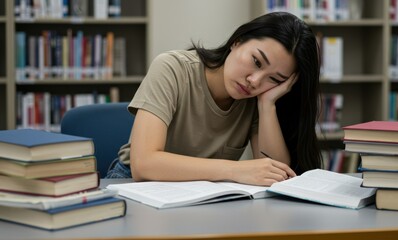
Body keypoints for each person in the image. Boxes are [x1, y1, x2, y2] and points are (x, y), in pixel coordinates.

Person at [106, 11, 322, 186]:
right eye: (256, 61)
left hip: (205, 189)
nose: (254, 81)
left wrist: (267, 105)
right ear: (237, 42)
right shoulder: (171, 68)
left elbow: (277, 173)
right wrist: (235, 170)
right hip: (135, 183)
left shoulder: (258, 97)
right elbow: (144, 164)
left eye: (274, 79)